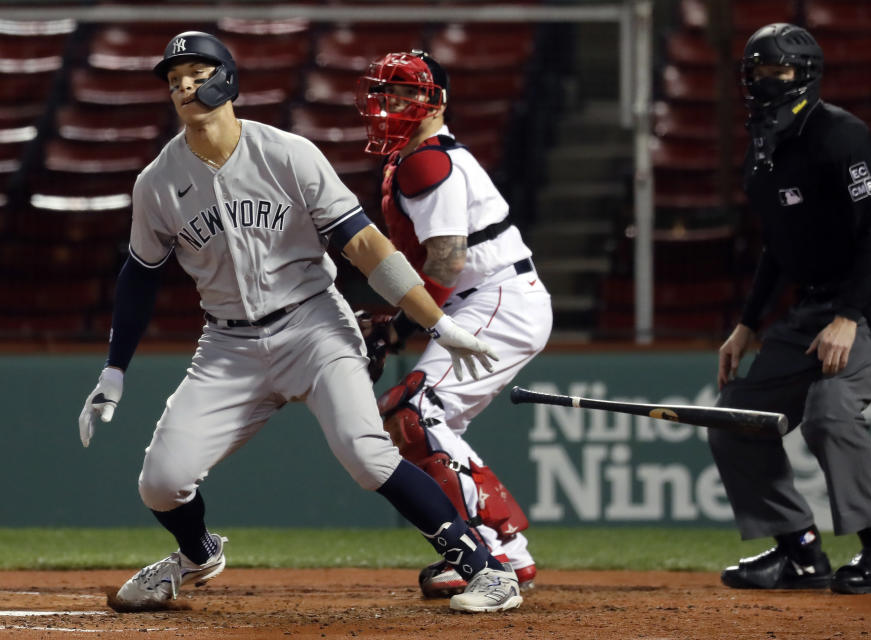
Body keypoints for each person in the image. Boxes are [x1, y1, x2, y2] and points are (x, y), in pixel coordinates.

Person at [76, 31, 525, 614]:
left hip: (314, 325)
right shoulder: (157, 183)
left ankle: (486, 569)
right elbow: (139, 275)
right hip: (228, 343)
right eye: (174, 78)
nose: (184, 85)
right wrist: (115, 370)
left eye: (196, 72)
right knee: (160, 481)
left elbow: (362, 244)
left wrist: (436, 321)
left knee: (368, 456)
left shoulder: (287, 153)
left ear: (227, 78)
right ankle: (196, 554)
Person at [710, 23, 871, 595]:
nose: (766, 82)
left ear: (805, 75)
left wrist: (848, 317)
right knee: (735, 418)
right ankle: (798, 552)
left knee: (831, 408)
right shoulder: (764, 144)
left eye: (778, 71)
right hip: (815, 304)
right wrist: (746, 323)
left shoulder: (840, 134)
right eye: (757, 71)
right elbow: (777, 245)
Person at [354, 51, 552, 597]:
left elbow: (446, 261)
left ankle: (502, 553)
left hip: (496, 296)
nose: (391, 104)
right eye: (386, 93)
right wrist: (396, 316)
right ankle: (478, 550)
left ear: (435, 101)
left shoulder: (428, 161)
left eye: (406, 93)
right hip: (483, 297)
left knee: (416, 411)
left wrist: (400, 327)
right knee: (411, 419)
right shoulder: (416, 156)